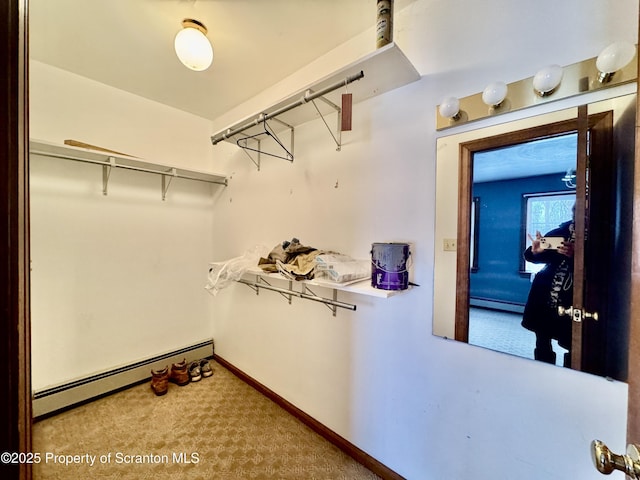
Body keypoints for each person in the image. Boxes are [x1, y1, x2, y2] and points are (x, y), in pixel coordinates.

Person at [521, 207, 575, 366]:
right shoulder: (561, 231)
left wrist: (575, 255)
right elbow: (533, 255)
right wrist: (536, 252)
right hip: (545, 293)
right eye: (576, 211)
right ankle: (542, 372)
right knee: (542, 339)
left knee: (574, 342)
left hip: (574, 298)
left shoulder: (599, 234)